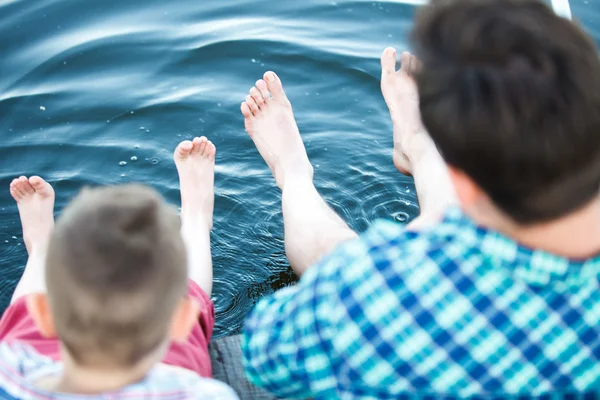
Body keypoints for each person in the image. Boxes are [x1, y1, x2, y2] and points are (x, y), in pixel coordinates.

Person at [239, 0, 600, 398]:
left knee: (350, 267)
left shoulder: (377, 286)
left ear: (459, 181)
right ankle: (417, 143)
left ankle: (297, 174)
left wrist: (419, 238)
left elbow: (262, 351)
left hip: (393, 299)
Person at [0, 138, 238, 399]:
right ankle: (195, 217)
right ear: (178, 321)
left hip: (42, 370)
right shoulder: (196, 393)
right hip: (164, 366)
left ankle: (42, 249)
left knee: (22, 329)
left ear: (45, 315)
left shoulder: (10, 369)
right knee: (184, 294)